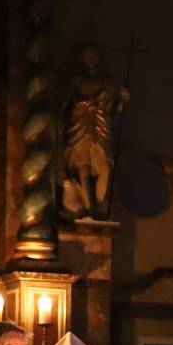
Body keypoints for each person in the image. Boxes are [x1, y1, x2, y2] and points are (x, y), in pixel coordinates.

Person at [60, 43, 129, 216]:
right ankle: (88, 210)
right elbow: (65, 103)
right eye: (87, 56)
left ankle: (99, 206)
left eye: (93, 56)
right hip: (79, 124)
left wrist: (122, 100)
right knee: (82, 169)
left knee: (104, 167)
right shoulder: (76, 80)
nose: (90, 60)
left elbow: (113, 110)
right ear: (83, 60)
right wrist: (59, 121)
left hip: (100, 126)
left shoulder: (107, 82)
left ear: (99, 58)